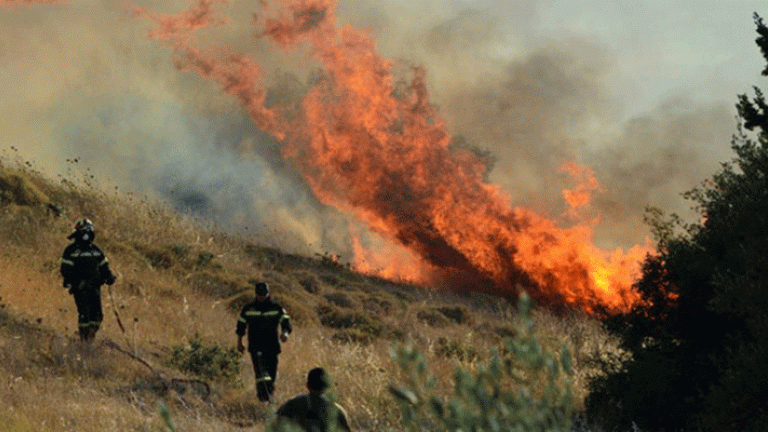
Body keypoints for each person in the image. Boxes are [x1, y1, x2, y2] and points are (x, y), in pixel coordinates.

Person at [60, 217, 116, 342]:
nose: (87, 234)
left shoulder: (96, 250)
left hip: (95, 287)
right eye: (84, 231)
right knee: (85, 314)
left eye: (89, 231)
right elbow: (65, 270)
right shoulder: (71, 251)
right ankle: (83, 340)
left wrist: (109, 276)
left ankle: (90, 338)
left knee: (97, 316)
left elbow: (104, 267)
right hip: (80, 288)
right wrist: (75, 283)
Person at [236, 281, 292, 402]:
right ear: (255, 294)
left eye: (264, 295)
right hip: (255, 346)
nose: (262, 297)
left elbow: (285, 322)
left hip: (272, 346)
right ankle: (263, 398)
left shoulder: (276, 307)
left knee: (271, 373)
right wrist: (239, 342)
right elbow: (241, 326)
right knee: (261, 373)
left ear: (268, 294)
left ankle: (269, 395)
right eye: (259, 295)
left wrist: (285, 333)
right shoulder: (248, 308)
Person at [274, 367, 352, 432]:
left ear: (307, 385)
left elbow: (276, 425)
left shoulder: (293, 403)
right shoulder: (336, 410)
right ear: (327, 387)